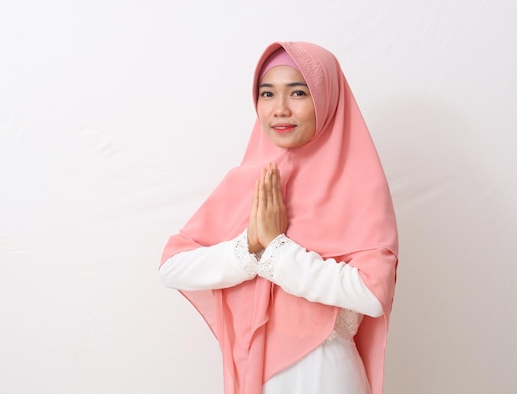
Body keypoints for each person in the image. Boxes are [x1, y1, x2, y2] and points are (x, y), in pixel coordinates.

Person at [159, 41, 398, 394]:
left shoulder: (360, 185)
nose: (279, 109)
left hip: (325, 375)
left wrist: (277, 251)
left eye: (298, 92)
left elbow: (373, 293)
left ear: (326, 98)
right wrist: (250, 245)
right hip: (257, 374)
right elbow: (171, 268)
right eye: (267, 94)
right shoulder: (248, 181)